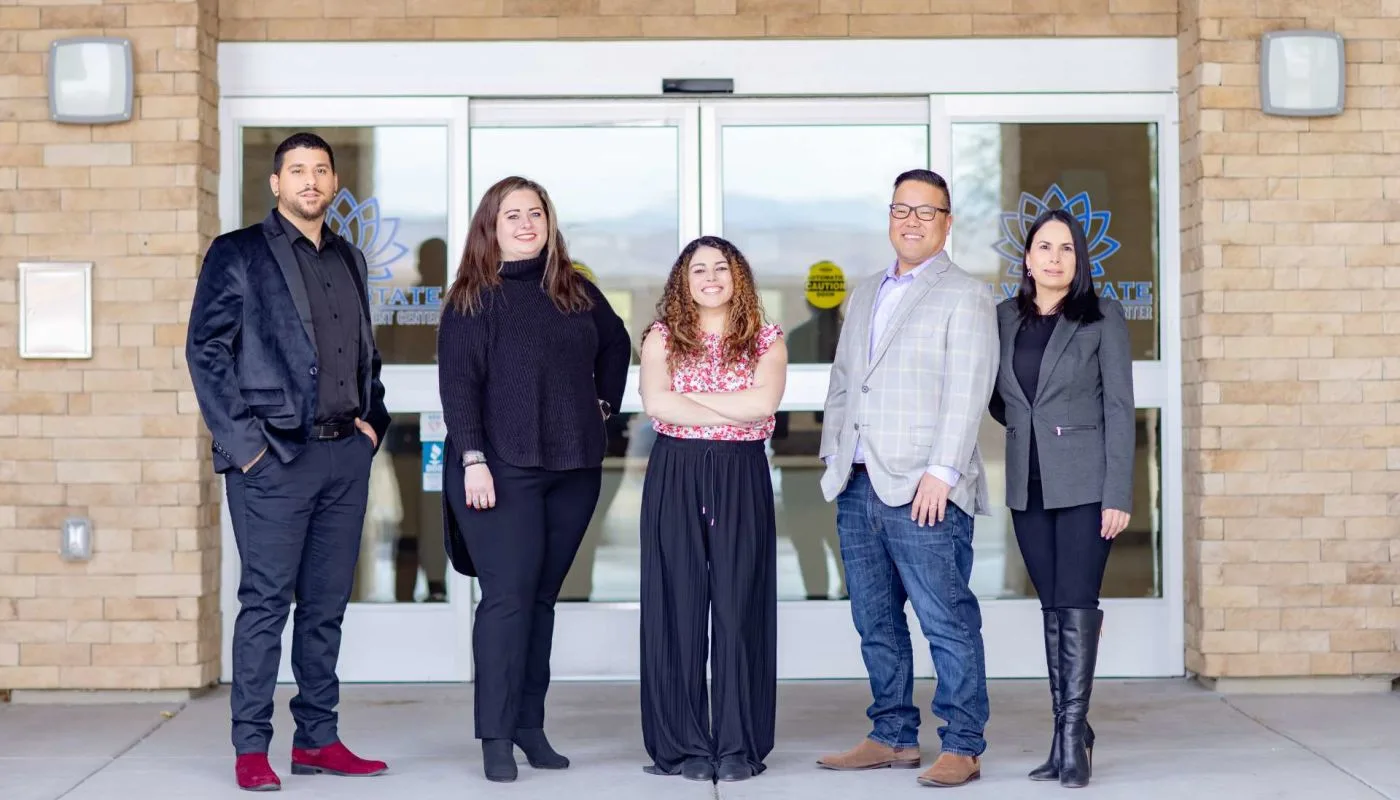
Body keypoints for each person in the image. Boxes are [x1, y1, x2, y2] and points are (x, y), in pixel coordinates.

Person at [186, 132, 391, 791]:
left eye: (320, 170)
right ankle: (251, 748)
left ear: (334, 184)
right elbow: (206, 352)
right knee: (267, 603)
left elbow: (364, 352)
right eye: (297, 170)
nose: (310, 180)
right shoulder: (238, 253)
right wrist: (247, 448)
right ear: (276, 183)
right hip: (272, 459)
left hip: (343, 456)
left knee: (325, 606)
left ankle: (318, 739)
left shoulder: (350, 258)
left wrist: (372, 424)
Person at [436, 176, 631, 783]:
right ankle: (495, 735)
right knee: (507, 600)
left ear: (549, 222)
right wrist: (472, 459)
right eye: (512, 215)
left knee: (541, 600)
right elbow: (458, 387)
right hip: (499, 470)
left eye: (535, 213)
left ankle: (529, 725)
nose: (526, 224)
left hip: (573, 469)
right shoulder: (472, 298)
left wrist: (602, 405)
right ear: (490, 228)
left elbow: (617, 344)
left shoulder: (575, 290)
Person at [815, 169, 998, 789]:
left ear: (947, 223)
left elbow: (968, 389)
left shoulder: (966, 294)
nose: (912, 221)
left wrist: (941, 473)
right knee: (875, 622)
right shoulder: (866, 291)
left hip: (926, 488)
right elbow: (845, 381)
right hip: (858, 481)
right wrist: (834, 455)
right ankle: (892, 735)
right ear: (889, 217)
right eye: (902, 209)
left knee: (946, 619)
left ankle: (963, 744)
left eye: (926, 211)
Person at [988, 207, 1134, 788]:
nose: (1055, 257)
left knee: (1075, 603)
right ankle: (1068, 733)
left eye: (1066, 248)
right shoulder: (1003, 318)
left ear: (1079, 260)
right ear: (1027, 259)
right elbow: (997, 397)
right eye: (1044, 247)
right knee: (1053, 608)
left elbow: (1119, 407)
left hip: (1086, 484)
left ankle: (1071, 739)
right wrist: (1023, 429)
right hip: (1027, 486)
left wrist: (1117, 492)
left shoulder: (1101, 316)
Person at [637, 236, 787, 784]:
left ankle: (738, 743)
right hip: (675, 471)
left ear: (738, 276)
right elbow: (656, 404)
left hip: (741, 474)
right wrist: (731, 407)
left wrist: (689, 402)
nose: (710, 278)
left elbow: (763, 404)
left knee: (736, 605)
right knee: (676, 605)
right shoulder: (661, 337)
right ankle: (684, 745)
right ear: (683, 281)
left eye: (721, 268)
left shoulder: (766, 339)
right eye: (698, 270)